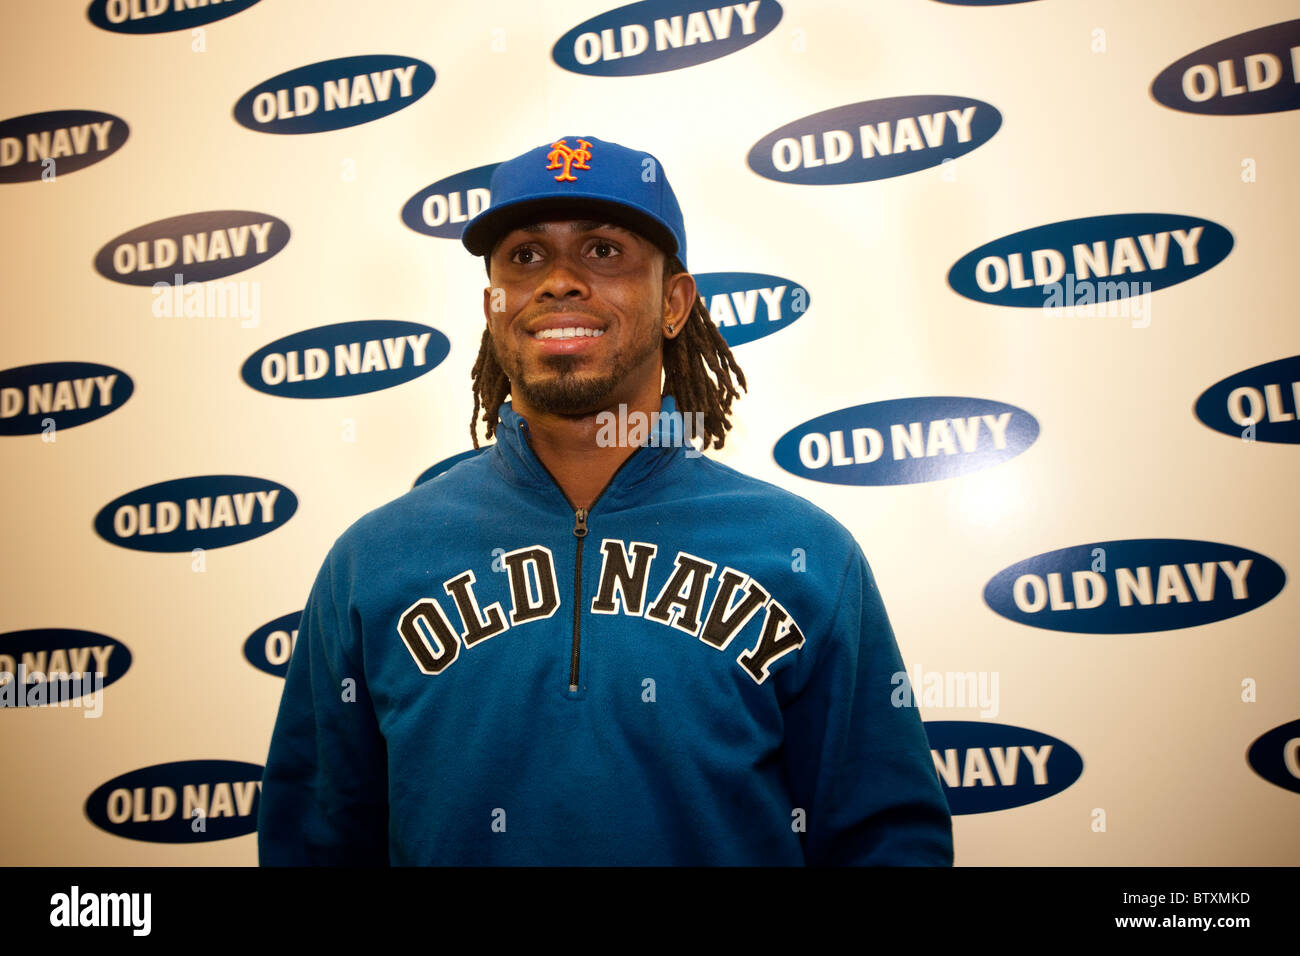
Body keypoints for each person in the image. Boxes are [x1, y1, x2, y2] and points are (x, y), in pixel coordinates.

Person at [257, 134, 953, 865]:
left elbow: (886, 840)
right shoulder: (374, 561)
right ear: (494, 305)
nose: (558, 281)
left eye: (603, 252)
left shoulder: (802, 554)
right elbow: (316, 842)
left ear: (675, 302)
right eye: (525, 256)